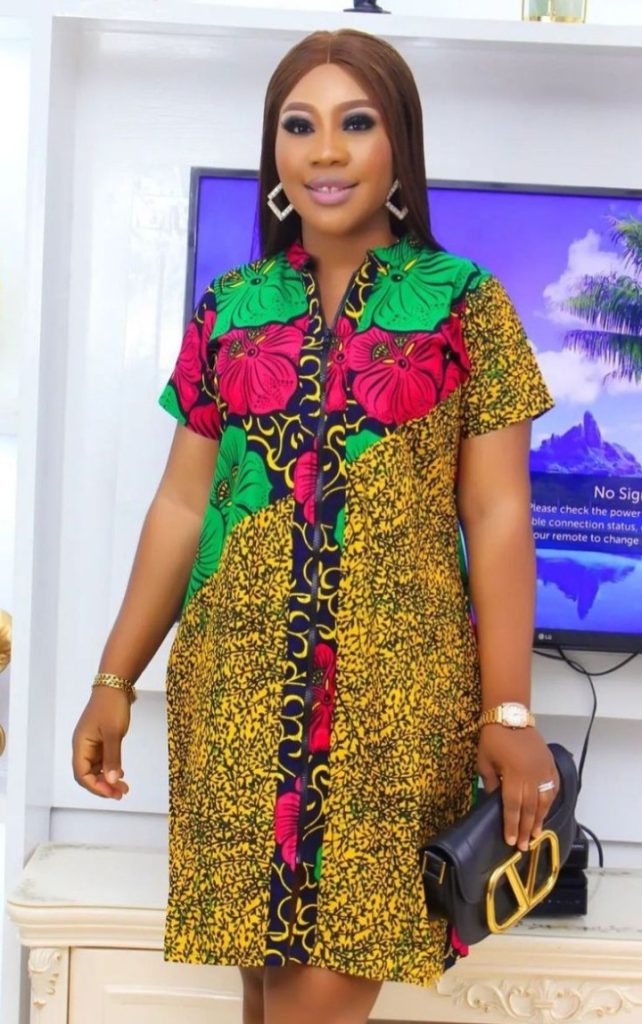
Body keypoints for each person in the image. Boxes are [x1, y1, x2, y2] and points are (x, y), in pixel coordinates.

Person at [72, 28, 559, 1024]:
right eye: (299, 126)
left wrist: (508, 711)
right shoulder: (231, 307)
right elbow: (182, 506)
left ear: (399, 144)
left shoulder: (467, 305)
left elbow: (499, 513)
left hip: (392, 713)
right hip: (235, 703)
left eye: (356, 123)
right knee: (267, 1002)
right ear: (275, 148)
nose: (325, 151)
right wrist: (113, 679)